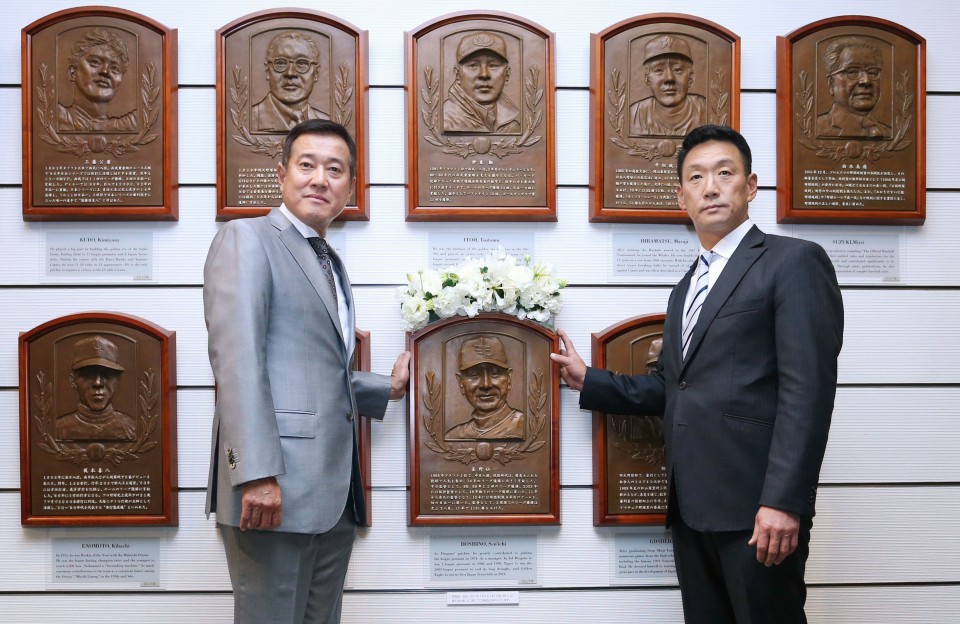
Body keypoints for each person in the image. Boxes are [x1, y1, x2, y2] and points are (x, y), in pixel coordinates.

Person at [551, 125, 843, 623]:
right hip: (693, 507)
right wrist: (590, 380)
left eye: (724, 174)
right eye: (697, 177)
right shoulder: (687, 286)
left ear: (750, 186)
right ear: (681, 196)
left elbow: (808, 392)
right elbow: (677, 387)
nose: (711, 187)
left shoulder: (793, 262)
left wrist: (783, 503)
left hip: (758, 512)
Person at [203, 119, 410, 624]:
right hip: (273, 491)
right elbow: (238, 363)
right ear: (281, 175)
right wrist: (256, 475)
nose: (320, 178)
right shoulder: (247, 238)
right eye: (307, 165)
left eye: (335, 169)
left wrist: (384, 389)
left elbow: (305, 370)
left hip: (330, 495)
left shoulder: (328, 260)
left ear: (350, 188)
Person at [55, 335, 136, 442]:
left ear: (117, 380)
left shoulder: (131, 429)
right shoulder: (59, 429)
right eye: (88, 375)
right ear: (73, 380)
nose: (98, 383)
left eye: (107, 375)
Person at [446, 335, 526, 440]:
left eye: (495, 374)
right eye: (474, 375)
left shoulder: (526, 426)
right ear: (461, 383)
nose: (486, 385)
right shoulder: (454, 436)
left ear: (509, 379)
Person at [57, 28, 137, 133]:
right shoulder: (53, 116)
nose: (105, 71)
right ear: (73, 72)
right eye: (95, 62)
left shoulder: (132, 125)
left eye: (114, 68)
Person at [442, 31, 520, 134]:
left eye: (493, 65)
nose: (484, 74)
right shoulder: (446, 121)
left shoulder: (512, 126)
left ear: (507, 75)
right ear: (457, 74)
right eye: (473, 65)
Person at [629, 35, 706, 137]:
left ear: (690, 78)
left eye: (678, 69)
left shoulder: (705, 110)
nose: (669, 78)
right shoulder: (635, 114)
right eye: (659, 70)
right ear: (647, 79)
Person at [253, 31, 330, 133]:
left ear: (316, 73)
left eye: (302, 63)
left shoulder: (327, 122)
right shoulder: (248, 119)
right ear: (267, 71)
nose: (290, 73)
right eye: (280, 63)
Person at [815, 37, 891, 138]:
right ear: (831, 83)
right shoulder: (815, 129)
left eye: (872, 72)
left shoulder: (889, 133)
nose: (866, 80)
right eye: (852, 71)